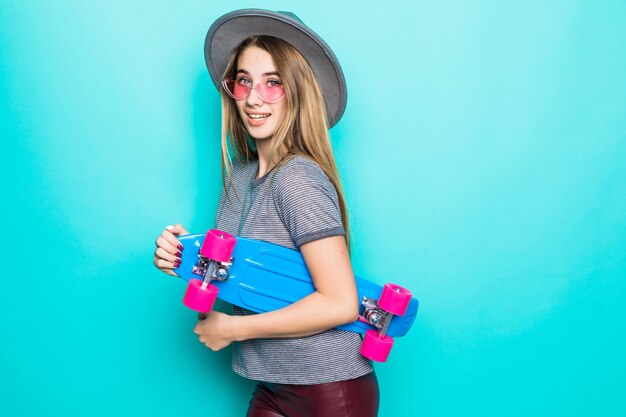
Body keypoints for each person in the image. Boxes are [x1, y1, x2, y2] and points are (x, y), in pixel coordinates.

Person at [153, 9, 379, 417]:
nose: (253, 98)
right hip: (273, 383)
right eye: (244, 81)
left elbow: (340, 303)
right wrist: (185, 260)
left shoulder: (298, 180)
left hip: (330, 388)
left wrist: (234, 329)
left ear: (298, 92)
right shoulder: (240, 177)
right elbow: (234, 277)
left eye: (272, 83)